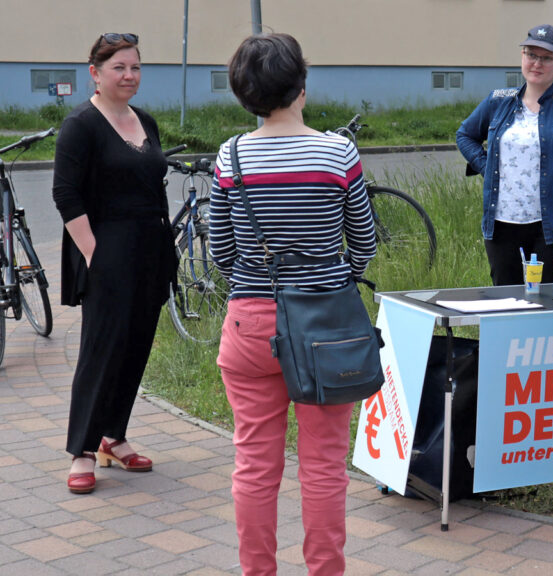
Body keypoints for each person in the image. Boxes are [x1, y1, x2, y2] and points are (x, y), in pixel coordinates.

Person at [208, 33, 377, 576]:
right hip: (326, 325)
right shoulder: (336, 152)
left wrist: (259, 286)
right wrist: (329, 280)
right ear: (301, 85)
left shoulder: (230, 156)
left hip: (250, 323)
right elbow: (365, 243)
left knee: (255, 464)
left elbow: (222, 250)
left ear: (244, 94)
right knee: (325, 465)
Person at [53, 33, 176, 494]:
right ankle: (81, 451)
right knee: (101, 351)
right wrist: (93, 254)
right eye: (119, 68)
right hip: (107, 250)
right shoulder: (81, 124)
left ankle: (112, 437)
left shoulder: (144, 120)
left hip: (150, 249)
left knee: (135, 346)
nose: (129, 76)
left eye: (135, 68)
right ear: (95, 74)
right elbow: (66, 195)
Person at [456, 24, 553, 286]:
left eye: (547, 58)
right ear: (522, 57)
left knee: (552, 303)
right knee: (508, 302)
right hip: (501, 225)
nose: (537, 63)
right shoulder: (497, 101)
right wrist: (486, 166)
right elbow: (465, 135)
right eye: (531, 54)